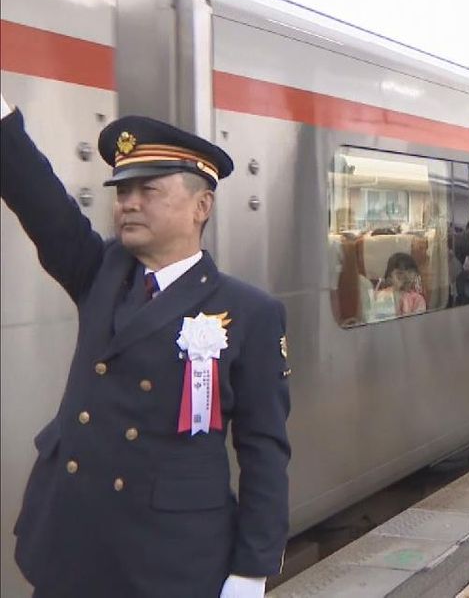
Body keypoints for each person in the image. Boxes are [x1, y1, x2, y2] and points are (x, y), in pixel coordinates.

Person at [0, 98, 290, 598]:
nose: (128, 203)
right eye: (123, 191)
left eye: (148, 191)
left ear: (202, 206)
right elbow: (38, 198)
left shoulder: (248, 311)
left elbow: (263, 449)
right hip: (71, 547)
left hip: (170, 562)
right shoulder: (99, 271)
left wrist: (252, 569)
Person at [374, 252, 426, 317]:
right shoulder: (382, 296)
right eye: (400, 273)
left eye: (410, 272)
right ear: (390, 276)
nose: (406, 277)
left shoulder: (417, 299)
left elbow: (417, 322)